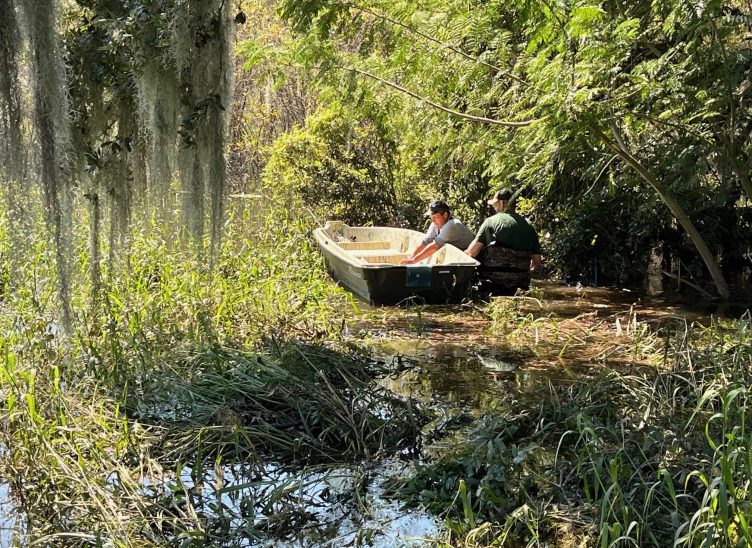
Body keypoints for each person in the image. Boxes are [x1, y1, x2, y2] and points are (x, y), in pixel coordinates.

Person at [465, 188, 542, 290]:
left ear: (502, 203)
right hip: (521, 284)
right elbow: (537, 264)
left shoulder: (490, 222)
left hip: (493, 282)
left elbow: (472, 252)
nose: (494, 208)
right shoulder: (529, 227)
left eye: (495, 205)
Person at [402, 200, 475, 264]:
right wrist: (411, 257)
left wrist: (413, 261)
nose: (433, 220)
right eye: (431, 217)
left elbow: (435, 246)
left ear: (445, 215)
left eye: (436, 217)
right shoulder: (436, 223)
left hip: (471, 259)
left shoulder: (452, 224)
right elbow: (426, 242)